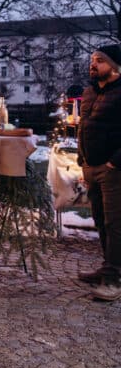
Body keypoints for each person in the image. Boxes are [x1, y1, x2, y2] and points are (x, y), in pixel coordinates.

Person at [77, 43, 121, 301]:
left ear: (114, 66)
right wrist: (82, 158)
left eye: (100, 60)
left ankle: (114, 279)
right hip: (91, 167)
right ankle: (107, 267)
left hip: (113, 170)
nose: (93, 64)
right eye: (93, 59)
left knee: (116, 224)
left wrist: (115, 162)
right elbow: (84, 127)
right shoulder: (90, 92)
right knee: (101, 220)